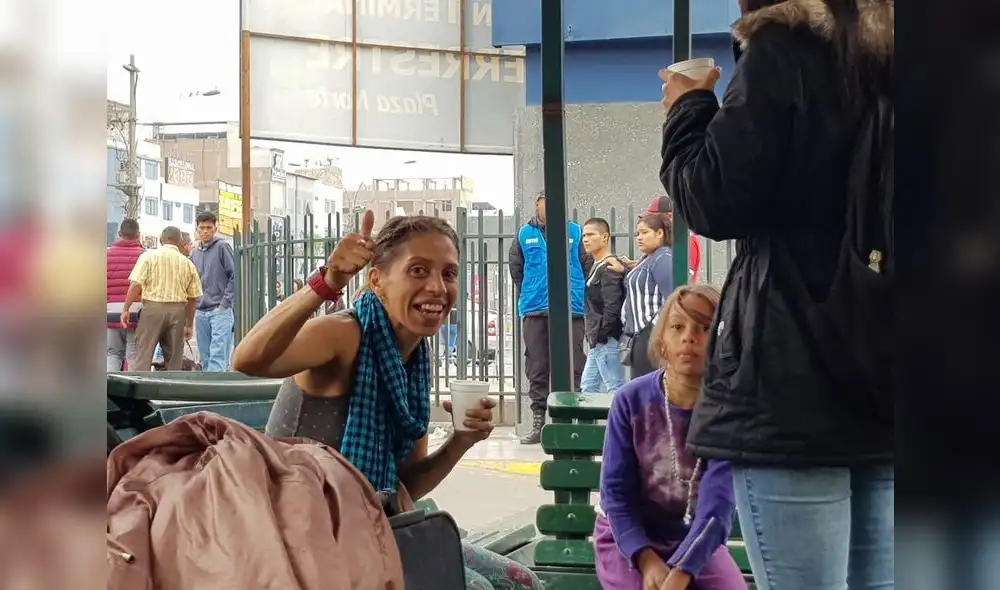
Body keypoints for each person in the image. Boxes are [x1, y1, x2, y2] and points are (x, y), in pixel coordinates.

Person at [658, 1, 894, 588]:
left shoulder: (784, 46)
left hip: (794, 373)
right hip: (892, 366)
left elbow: (713, 197)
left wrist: (687, 107)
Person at [232, 212, 541, 590]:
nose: (437, 288)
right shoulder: (346, 333)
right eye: (418, 271)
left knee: (521, 582)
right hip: (300, 536)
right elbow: (248, 359)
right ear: (376, 280)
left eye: (448, 273)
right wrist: (326, 282)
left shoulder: (413, 360)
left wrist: (461, 441)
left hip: (374, 527)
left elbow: (404, 482)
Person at [595, 284, 746, 590]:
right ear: (662, 341)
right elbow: (616, 495)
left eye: (705, 327)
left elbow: (717, 507)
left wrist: (683, 570)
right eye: (677, 326)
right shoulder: (630, 401)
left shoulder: (728, 412)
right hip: (628, 538)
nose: (689, 336)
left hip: (695, 539)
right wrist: (646, 560)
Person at [508, 191, 590, 444]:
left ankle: (570, 419)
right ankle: (538, 423)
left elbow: (586, 265)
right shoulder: (524, 234)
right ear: (537, 207)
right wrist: (532, 291)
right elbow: (516, 270)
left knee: (573, 364)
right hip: (535, 309)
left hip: (570, 309)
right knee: (537, 365)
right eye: (546, 206)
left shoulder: (575, 232)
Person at [122, 226, 203, 371]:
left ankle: (140, 388)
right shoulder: (188, 264)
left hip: (152, 309)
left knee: (144, 353)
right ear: (180, 241)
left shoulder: (148, 257)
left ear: (161, 239)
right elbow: (192, 298)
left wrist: (126, 308)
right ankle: (172, 389)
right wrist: (189, 324)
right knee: (174, 358)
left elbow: (136, 285)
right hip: (178, 311)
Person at [615, 213, 674, 377]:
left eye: (645, 232)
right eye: (637, 234)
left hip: (650, 334)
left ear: (660, 233)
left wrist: (654, 328)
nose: (639, 238)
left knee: (648, 388)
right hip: (639, 335)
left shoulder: (663, 258)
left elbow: (673, 298)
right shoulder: (649, 258)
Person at [579, 218, 627, 394]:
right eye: (584, 235)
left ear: (605, 237)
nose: (585, 239)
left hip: (606, 339)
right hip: (599, 340)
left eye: (591, 234)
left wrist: (601, 334)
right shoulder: (596, 265)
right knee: (588, 388)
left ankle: (623, 422)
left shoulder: (609, 268)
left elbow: (612, 306)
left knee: (615, 387)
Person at [191, 211, 237, 372]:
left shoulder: (222, 247)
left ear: (215, 228)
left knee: (218, 355)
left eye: (209, 227)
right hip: (201, 309)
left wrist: (225, 303)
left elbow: (234, 275)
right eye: (202, 228)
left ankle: (216, 392)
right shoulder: (195, 252)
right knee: (205, 356)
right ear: (197, 229)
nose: (205, 231)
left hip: (219, 309)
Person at [106, 218, 145, 371]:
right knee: (133, 354)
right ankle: (131, 392)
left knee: (113, 353)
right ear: (138, 234)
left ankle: (110, 389)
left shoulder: (106, 255)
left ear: (119, 234)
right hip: (136, 312)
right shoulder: (145, 256)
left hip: (110, 312)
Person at [645, 196, 702, 282]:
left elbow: (685, 278)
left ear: (669, 216)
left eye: (654, 219)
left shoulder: (686, 240)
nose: (650, 223)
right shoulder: (671, 239)